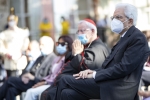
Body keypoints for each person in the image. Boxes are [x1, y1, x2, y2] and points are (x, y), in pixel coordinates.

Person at [54, 3, 150, 100]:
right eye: (113, 17)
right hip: (108, 82)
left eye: (118, 17)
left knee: (64, 79)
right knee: (67, 93)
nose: (114, 20)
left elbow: (123, 68)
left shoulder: (137, 38)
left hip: (117, 88)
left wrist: (95, 74)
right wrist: (92, 71)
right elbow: (108, 66)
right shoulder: (124, 38)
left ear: (130, 21)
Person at [40, 18, 110, 100]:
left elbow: (88, 68)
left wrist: (77, 54)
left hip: (95, 84)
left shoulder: (98, 47)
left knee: (61, 83)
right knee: (55, 92)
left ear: (93, 31)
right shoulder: (86, 45)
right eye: (78, 31)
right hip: (81, 82)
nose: (80, 34)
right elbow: (71, 62)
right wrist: (75, 54)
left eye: (82, 31)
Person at [24, 35, 73, 100]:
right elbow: (50, 74)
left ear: (68, 45)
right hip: (48, 82)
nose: (59, 46)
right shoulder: (57, 58)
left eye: (63, 44)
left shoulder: (67, 59)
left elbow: (58, 76)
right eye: (58, 43)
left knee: (31, 92)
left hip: (54, 84)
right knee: (28, 91)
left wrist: (45, 82)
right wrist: (43, 81)